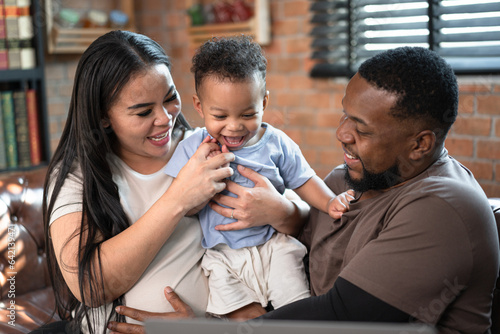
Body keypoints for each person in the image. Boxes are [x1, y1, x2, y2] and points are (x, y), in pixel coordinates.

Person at [108, 46, 499, 334]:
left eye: (361, 129)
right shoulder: (352, 179)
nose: (341, 134)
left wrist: (201, 328)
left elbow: (342, 318)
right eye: (345, 114)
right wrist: (282, 212)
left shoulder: (442, 209)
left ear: (420, 144)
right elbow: (310, 234)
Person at [37, 30, 310, 334]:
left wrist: (284, 212)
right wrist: (178, 199)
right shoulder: (79, 176)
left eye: (169, 98)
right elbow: (90, 286)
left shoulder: (204, 144)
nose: (165, 118)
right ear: (103, 117)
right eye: (143, 111)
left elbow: (295, 208)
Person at [164, 35, 353, 320]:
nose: (235, 126)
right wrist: (199, 193)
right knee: (240, 319)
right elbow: (180, 202)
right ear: (200, 107)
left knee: (296, 313)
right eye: (220, 116)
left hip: (273, 246)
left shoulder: (277, 143)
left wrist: (329, 202)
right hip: (223, 254)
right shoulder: (193, 148)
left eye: (248, 113)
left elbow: (304, 179)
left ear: (264, 101)